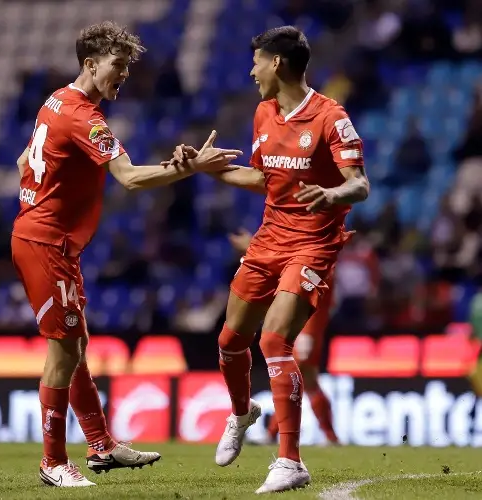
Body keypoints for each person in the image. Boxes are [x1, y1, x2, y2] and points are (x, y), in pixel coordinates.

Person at [11, 21, 240, 487]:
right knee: (63, 352)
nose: (123, 76)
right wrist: (192, 167)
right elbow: (130, 178)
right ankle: (53, 463)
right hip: (44, 243)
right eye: (117, 66)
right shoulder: (84, 118)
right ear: (91, 64)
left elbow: (22, 161)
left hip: (49, 238)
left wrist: (44, 194)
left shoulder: (56, 100)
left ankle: (101, 447)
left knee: (76, 347)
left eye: (128, 68)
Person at [169, 26, 369, 493]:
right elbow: (262, 178)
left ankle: (290, 461)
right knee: (229, 341)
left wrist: (334, 192)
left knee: (275, 341)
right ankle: (242, 414)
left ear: (277, 64)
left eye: (256, 61)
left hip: (313, 243)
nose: (251, 70)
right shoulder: (264, 113)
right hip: (268, 240)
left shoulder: (331, 117)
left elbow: (360, 184)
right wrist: (203, 167)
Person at [228, 230, 339, 446]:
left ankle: (325, 437)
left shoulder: (321, 257)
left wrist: (253, 247)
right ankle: (329, 437)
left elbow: (298, 271)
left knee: (298, 374)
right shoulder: (314, 253)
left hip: (308, 325)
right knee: (306, 378)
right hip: (302, 322)